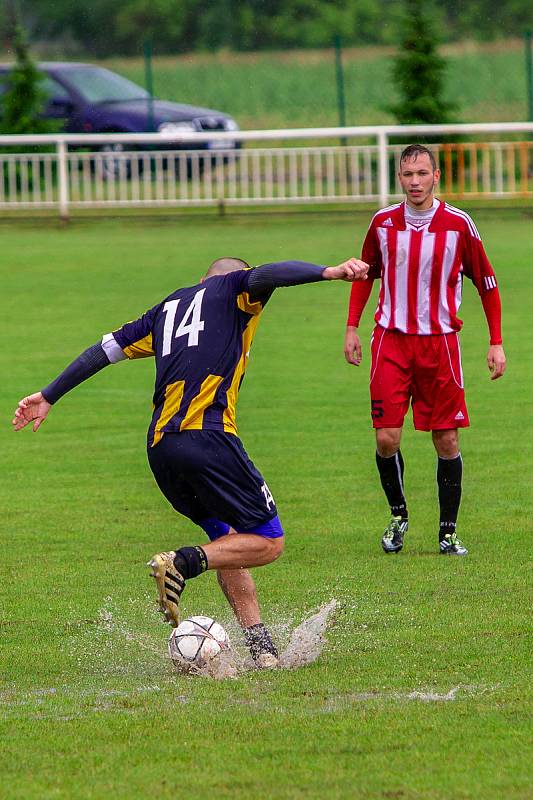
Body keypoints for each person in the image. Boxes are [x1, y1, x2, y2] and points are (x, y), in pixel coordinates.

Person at [13, 255, 368, 668]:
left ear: (200, 279)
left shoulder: (167, 309)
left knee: (228, 541)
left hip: (161, 449)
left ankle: (261, 648)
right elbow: (271, 273)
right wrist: (329, 272)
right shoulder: (236, 291)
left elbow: (104, 350)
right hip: (209, 439)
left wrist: (50, 394)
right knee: (268, 542)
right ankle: (180, 562)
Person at [344, 143, 506, 557]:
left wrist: (496, 341)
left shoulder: (458, 224)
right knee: (386, 438)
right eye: (407, 174)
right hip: (390, 342)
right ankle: (398, 518)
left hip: (440, 346)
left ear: (436, 177)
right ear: (400, 178)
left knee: (447, 440)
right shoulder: (382, 223)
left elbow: (486, 282)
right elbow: (364, 275)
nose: (415, 182)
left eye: (422, 174)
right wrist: (352, 328)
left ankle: (447, 533)